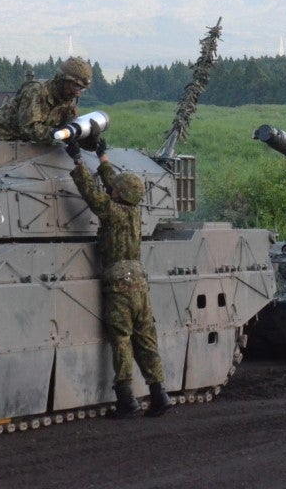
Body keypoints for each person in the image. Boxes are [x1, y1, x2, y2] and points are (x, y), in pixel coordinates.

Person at [66, 136, 172, 418]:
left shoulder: (110, 211)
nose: (111, 189)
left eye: (114, 189)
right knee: (146, 337)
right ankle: (159, 392)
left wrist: (78, 159)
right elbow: (115, 185)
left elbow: (92, 193)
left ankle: (126, 399)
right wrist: (103, 159)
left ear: (118, 194)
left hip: (118, 282)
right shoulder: (133, 211)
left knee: (122, 339)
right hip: (138, 279)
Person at [0, 57, 93, 142]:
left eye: (82, 89)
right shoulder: (36, 91)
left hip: (22, 145)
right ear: (62, 80)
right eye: (76, 86)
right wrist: (57, 134)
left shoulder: (68, 101)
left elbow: (69, 130)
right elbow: (28, 128)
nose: (78, 92)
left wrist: (87, 135)